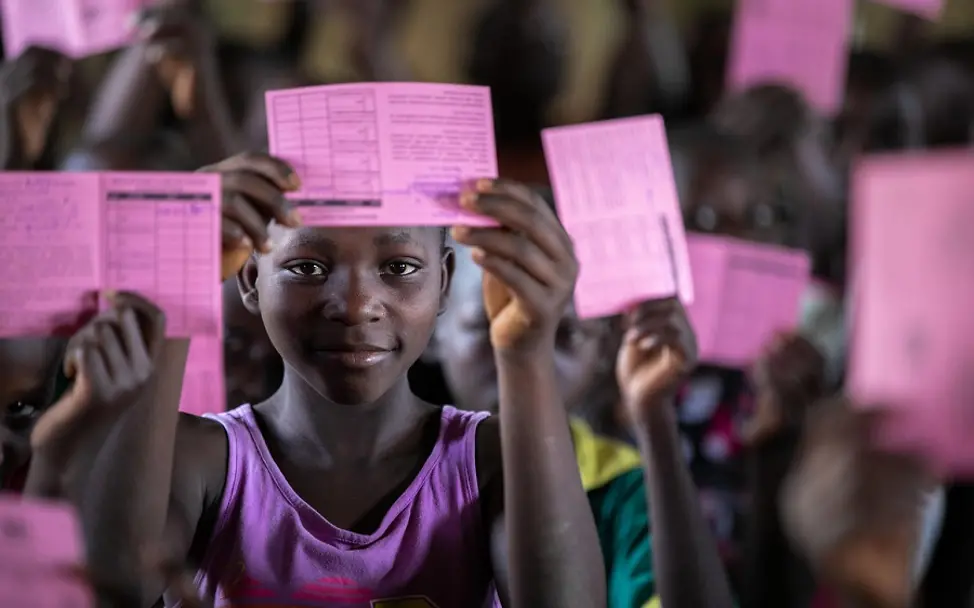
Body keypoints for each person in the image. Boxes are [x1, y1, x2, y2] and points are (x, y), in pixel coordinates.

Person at [73, 153, 608, 608]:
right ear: (249, 281)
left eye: (399, 268)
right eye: (306, 267)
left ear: (444, 282)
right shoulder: (201, 460)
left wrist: (525, 353)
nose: (354, 307)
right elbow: (116, 583)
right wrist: (177, 288)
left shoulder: (489, 460)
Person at [433, 196, 734, 608]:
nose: (523, 349)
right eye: (489, 324)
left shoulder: (623, 490)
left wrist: (655, 417)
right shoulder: (397, 477)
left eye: (565, 334)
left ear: (604, 349)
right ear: (433, 325)